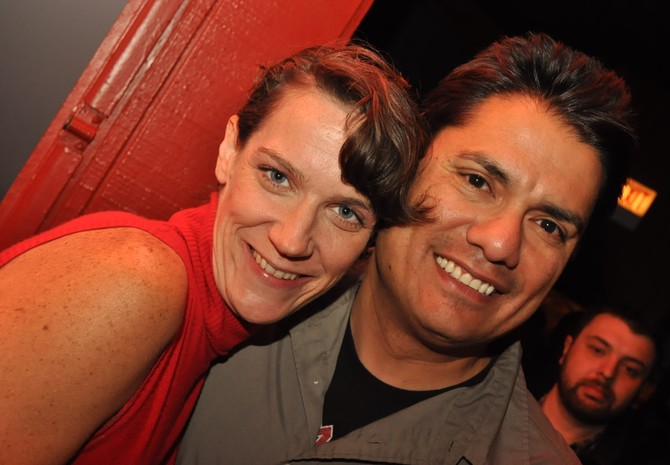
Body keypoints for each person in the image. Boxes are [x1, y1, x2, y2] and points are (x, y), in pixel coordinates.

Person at [176, 31, 638, 465]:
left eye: (549, 226)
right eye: (477, 181)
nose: (501, 242)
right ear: (409, 165)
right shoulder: (237, 292)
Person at [0, 42, 428, 465]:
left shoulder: (223, 339)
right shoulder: (132, 283)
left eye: (345, 212)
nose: (292, 240)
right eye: (277, 176)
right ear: (229, 151)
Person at [538, 306, 657, 465]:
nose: (608, 373)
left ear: (642, 389)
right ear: (567, 348)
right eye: (598, 350)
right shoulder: (506, 394)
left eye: (630, 369)